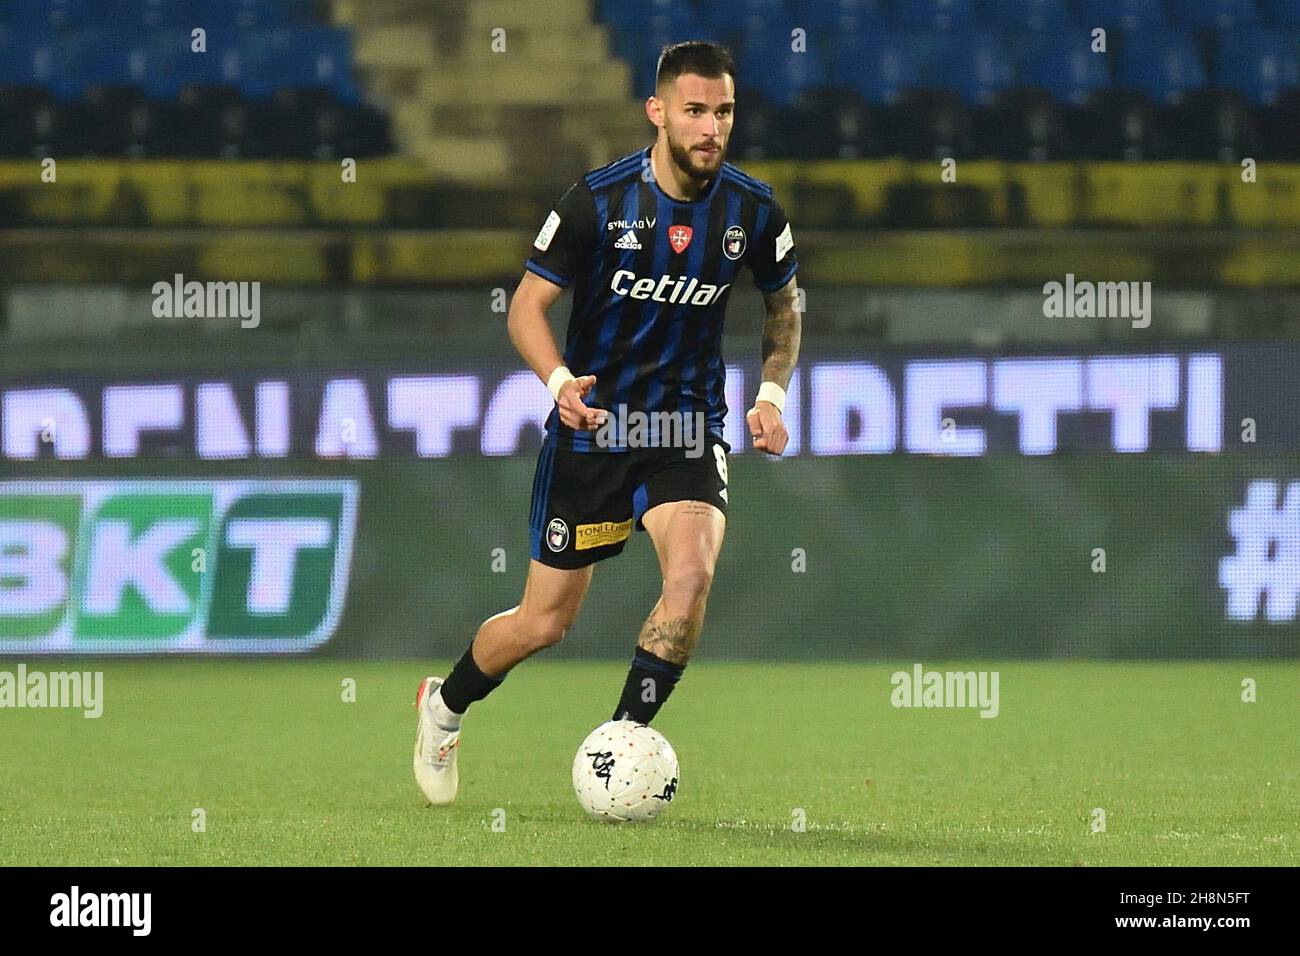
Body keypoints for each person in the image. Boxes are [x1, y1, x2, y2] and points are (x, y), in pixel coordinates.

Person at [414, 40, 801, 805]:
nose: (710, 128)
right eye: (694, 110)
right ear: (657, 112)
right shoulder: (597, 200)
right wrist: (557, 380)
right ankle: (444, 705)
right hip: (595, 430)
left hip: (686, 431)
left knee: (689, 580)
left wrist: (772, 395)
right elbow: (526, 307)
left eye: (723, 112)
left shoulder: (754, 211)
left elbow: (784, 305)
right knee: (540, 623)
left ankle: (623, 741)